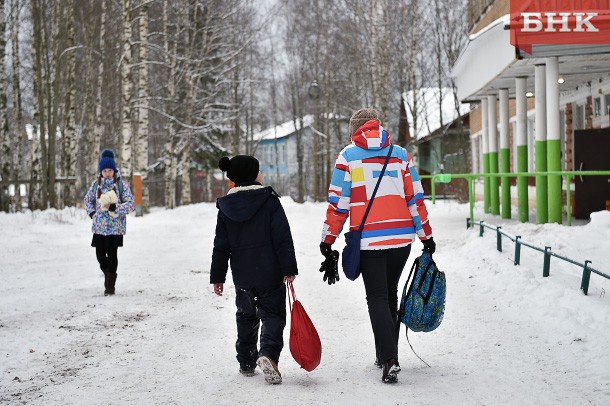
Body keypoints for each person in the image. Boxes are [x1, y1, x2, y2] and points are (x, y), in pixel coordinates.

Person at [319, 108, 436, 383]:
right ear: (377, 126)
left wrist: (328, 240)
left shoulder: (347, 157)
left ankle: (388, 359)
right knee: (389, 294)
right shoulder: (400, 155)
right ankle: (386, 352)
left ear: (354, 130)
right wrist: (426, 236)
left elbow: (338, 204)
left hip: (369, 240)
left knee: (377, 298)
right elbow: (415, 199)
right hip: (400, 240)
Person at [210, 155, 298, 385]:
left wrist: (218, 276)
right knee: (273, 315)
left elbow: (221, 246)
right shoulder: (269, 201)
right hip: (270, 272)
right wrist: (288, 267)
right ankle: (268, 354)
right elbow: (283, 238)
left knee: (246, 315)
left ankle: (246, 361)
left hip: (243, 275)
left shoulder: (226, 207)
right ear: (254, 175)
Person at [84, 149, 135, 296]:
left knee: (112, 255)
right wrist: (92, 213)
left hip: (115, 227)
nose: (107, 173)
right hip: (99, 227)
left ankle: (110, 286)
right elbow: (88, 200)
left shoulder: (121, 185)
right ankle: (108, 274)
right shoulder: (95, 185)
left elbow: (131, 204)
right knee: (100, 255)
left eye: (109, 170)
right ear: (101, 171)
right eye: (104, 170)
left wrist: (115, 207)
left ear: (114, 170)